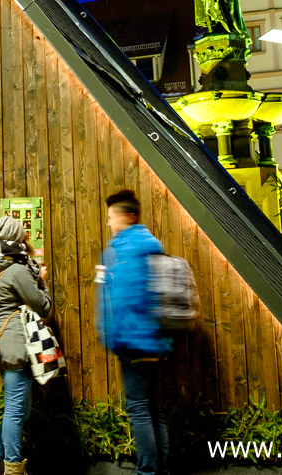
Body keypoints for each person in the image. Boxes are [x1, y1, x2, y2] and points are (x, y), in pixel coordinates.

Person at [97, 190, 172, 475]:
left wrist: (110, 336)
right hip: (156, 339)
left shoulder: (120, 250)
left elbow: (122, 301)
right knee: (156, 408)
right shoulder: (152, 244)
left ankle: (147, 473)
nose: (109, 223)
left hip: (132, 341)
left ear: (128, 216)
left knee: (139, 409)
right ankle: (161, 470)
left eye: (111, 217)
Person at [0, 216, 50, 475]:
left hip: (0, 346)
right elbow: (44, 306)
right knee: (16, 413)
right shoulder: (17, 270)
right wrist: (41, 280)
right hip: (17, 348)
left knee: (19, 411)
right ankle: (13, 468)